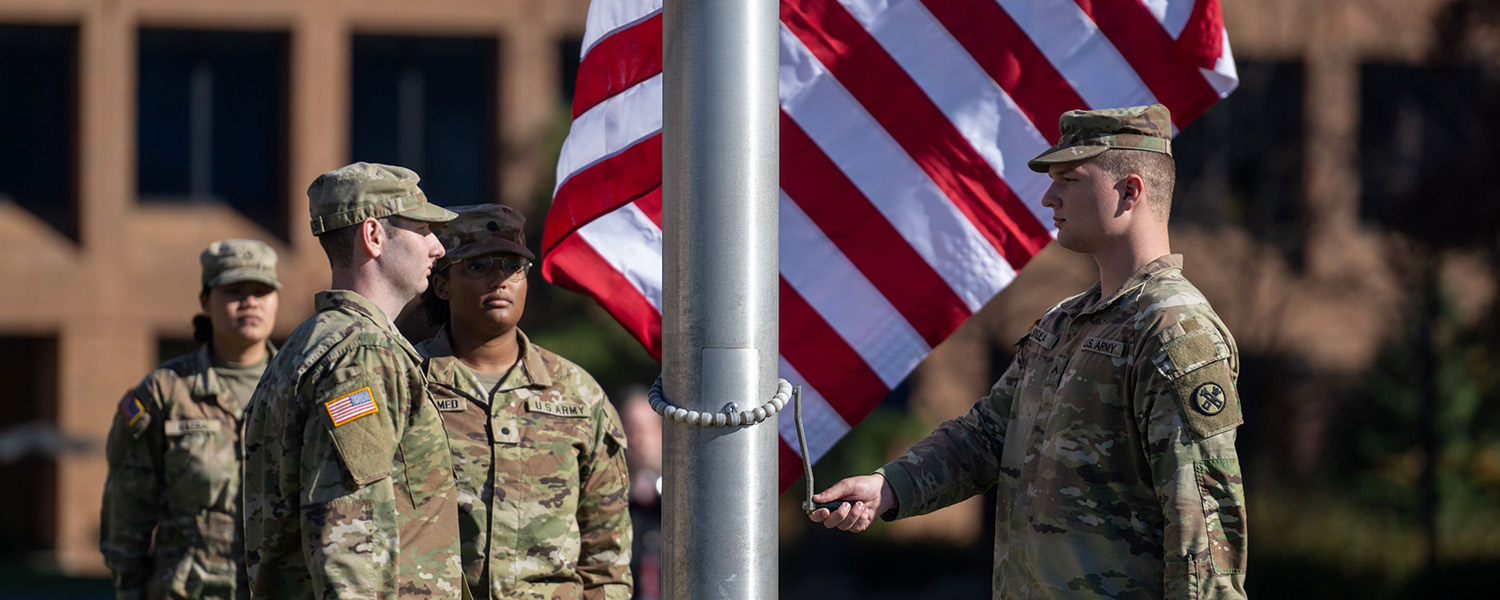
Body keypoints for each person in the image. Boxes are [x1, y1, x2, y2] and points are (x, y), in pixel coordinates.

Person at [809, 105, 1249, 599]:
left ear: (1130, 190)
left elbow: (1203, 522)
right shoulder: (1062, 323)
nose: (1048, 196)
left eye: (1070, 178)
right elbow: (985, 436)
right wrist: (889, 487)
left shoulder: (1173, 330)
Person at [241, 162, 465, 599]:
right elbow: (350, 536)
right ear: (374, 236)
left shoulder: (311, 344)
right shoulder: (362, 355)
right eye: (423, 228)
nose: (438, 247)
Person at [414, 204, 632, 600]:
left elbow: (606, 555)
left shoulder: (578, 394)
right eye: (478, 266)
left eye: (513, 266)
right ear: (442, 284)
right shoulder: (407, 381)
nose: (500, 279)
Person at [100, 239, 282, 599]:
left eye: (261, 291)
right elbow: (127, 508)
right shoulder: (165, 392)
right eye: (234, 290)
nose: (249, 301)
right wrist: (129, 589)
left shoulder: (299, 386)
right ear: (205, 301)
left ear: (276, 299)